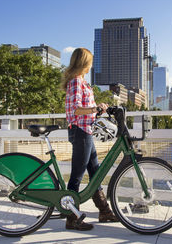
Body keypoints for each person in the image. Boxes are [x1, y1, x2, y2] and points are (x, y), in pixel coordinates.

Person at [62, 48, 118, 231]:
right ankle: (72, 218)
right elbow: (75, 110)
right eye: (90, 61)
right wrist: (95, 109)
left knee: (96, 173)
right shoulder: (76, 82)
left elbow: (84, 109)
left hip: (86, 131)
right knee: (76, 177)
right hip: (80, 132)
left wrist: (98, 109)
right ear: (84, 62)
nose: (92, 65)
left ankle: (105, 211)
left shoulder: (82, 83)